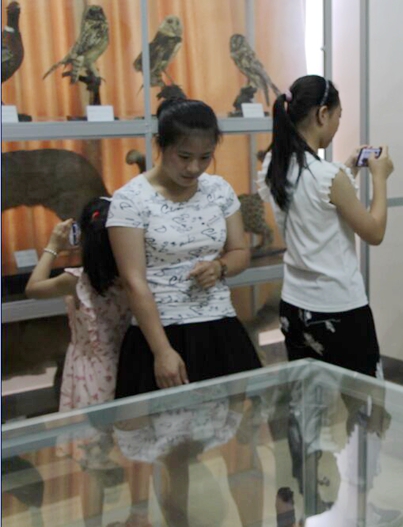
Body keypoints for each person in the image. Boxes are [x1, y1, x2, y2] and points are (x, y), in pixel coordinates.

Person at [107, 97, 264, 527]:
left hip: (220, 332)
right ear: (160, 145)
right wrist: (161, 351)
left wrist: (220, 267)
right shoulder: (130, 200)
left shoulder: (219, 191)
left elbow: (240, 251)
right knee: (173, 452)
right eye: (184, 156)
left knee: (243, 444)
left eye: (205, 157)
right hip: (163, 336)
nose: (194, 168)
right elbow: (134, 282)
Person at [259, 74, 400, 526]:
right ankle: (359, 506)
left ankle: (309, 506)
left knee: (307, 406)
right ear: (322, 114)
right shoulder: (328, 176)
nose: (338, 123)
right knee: (368, 409)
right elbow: (373, 231)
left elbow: (316, 204)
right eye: (337, 115)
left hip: (296, 309)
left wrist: (348, 171)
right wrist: (379, 178)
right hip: (340, 310)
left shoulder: (273, 166)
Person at [24, 197, 151, 527]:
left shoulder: (76, 280)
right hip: (130, 367)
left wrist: (53, 246)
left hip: (87, 376)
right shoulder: (134, 277)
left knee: (92, 463)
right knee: (138, 451)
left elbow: (33, 288)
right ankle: (139, 518)